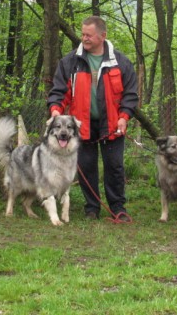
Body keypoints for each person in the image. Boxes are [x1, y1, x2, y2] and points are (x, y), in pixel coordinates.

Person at [48, 16, 139, 221]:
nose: (84, 39)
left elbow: (130, 96)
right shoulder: (70, 62)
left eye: (88, 35)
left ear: (102, 36)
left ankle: (118, 208)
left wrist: (124, 118)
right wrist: (55, 111)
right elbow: (58, 93)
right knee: (86, 167)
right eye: (82, 34)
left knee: (114, 166)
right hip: (81, 126)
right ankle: (92, 208)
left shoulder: (121, 62)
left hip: (112, 126)